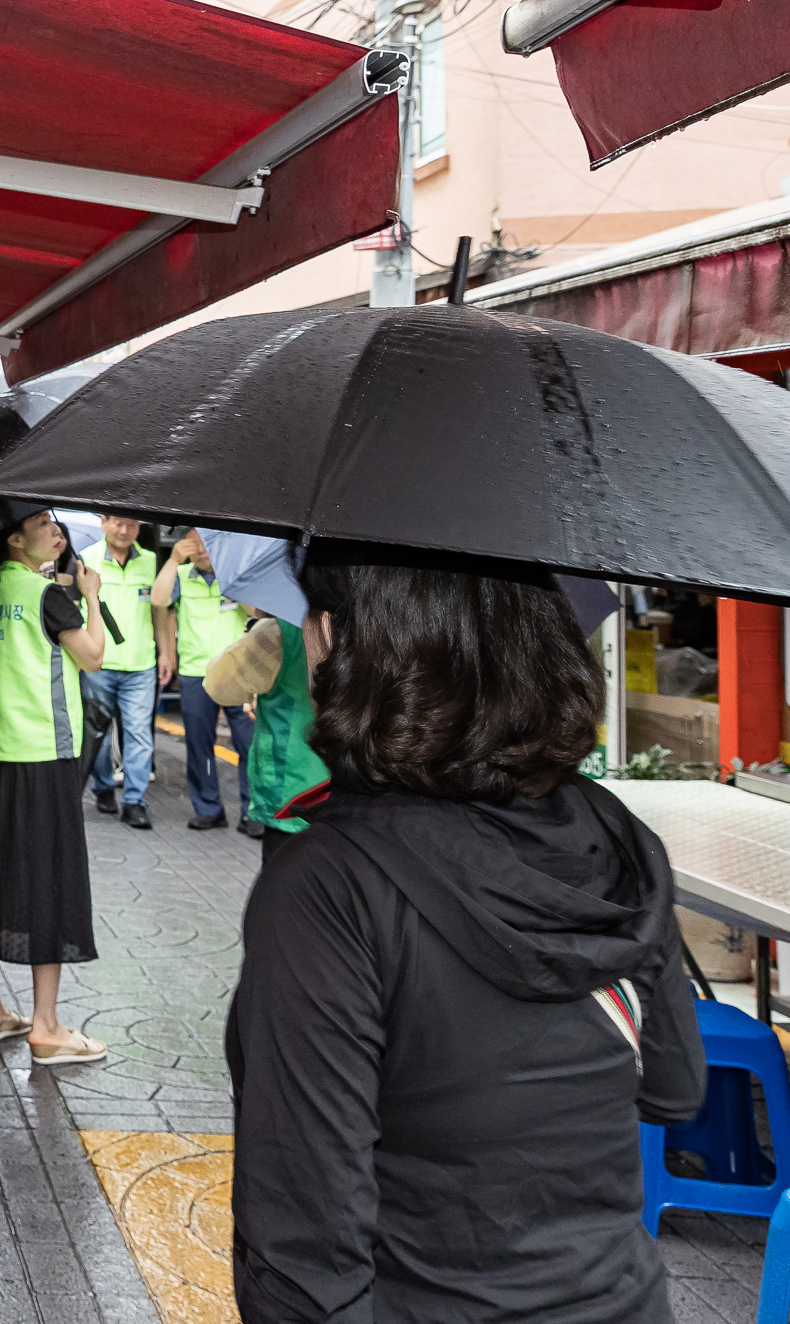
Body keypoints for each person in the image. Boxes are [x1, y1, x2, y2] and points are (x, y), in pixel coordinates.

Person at [227, 545, 703, 1323]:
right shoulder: (615, 835)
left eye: (312, 618)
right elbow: (675, 1088)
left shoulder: (327, 885)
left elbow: (308, 1247)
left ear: (343, 642)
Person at [0, 505, 110, 1065]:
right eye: (45, 524)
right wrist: (90, 597)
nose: (58, 531)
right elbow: (94, 659)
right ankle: (46, 1026)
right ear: (16, 540)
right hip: (44, 757)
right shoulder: (50, 597)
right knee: (51, 880)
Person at [151, 530, 255, 831]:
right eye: (193, 543)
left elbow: (255, 612)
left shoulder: (234, 573)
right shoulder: (181, 575)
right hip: (197, 673)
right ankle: (209, 808)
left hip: (238, 671)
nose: (200, 549)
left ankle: (253, 812)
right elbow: (158, 601)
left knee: (248, 743)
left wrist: (231, 577)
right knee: (199, 744)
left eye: (206, 542)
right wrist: (173, 559)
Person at [78, 515, 176, 830]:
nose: (124, 530)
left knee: (139, 735)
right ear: (104, 523)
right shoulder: (86, 561)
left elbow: (160, 612)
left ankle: (134, 802)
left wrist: (166, 653)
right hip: (98, 665)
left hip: (141, 665)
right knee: (101, 738)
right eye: (117, 522)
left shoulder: (151, 561)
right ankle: (104, 786)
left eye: (131, 524)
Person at [207, 608, 327, 854]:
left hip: (290, 787)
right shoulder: (365, 623)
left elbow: (219, 684)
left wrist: (257, 628)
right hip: (349, 787)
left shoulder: (279, 630)